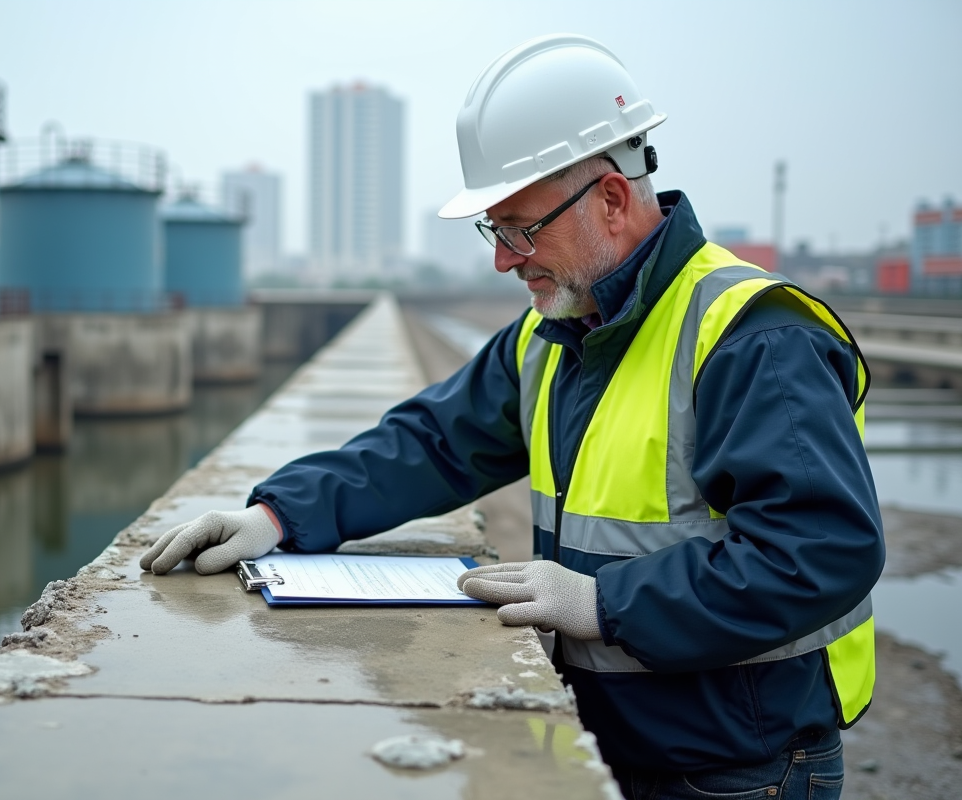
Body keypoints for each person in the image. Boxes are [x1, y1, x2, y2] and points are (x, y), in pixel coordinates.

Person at [139, 34, 883, 800]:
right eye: (494, 230)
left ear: (612, 199)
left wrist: (604, 604)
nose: (503, 259)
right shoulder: (557, 333)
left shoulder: (752, 337)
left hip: (737, 765)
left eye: (520, 229)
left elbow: (820, 550)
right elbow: (431, 443)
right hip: (609, 738)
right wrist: (277, 515)